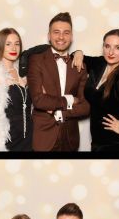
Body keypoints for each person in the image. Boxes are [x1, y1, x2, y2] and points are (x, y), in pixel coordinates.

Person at [26, 12, 90, 152]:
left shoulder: (80, 65)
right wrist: (70, 99)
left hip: (70, 139)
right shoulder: (36, 60)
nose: (61, 37)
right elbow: (38, 100)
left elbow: (86, 106)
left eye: (66, 33)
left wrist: (62, 113)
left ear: (71, 37)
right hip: (43, 137)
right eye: (56, 32)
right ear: (49, 36)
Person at [71, 29, 119, 153]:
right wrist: (78, 52)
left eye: (118, 47)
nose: (111, 52)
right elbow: (78, 58)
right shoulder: (100, 63)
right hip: (98, 139)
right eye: (107, 46)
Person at [0, 28, 33, 151]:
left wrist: (77, 53)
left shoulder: (22, 73)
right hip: (9, 142)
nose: (13, 48)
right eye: (8, 44)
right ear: (0, 47)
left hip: (30, 139)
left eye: (17, 44)